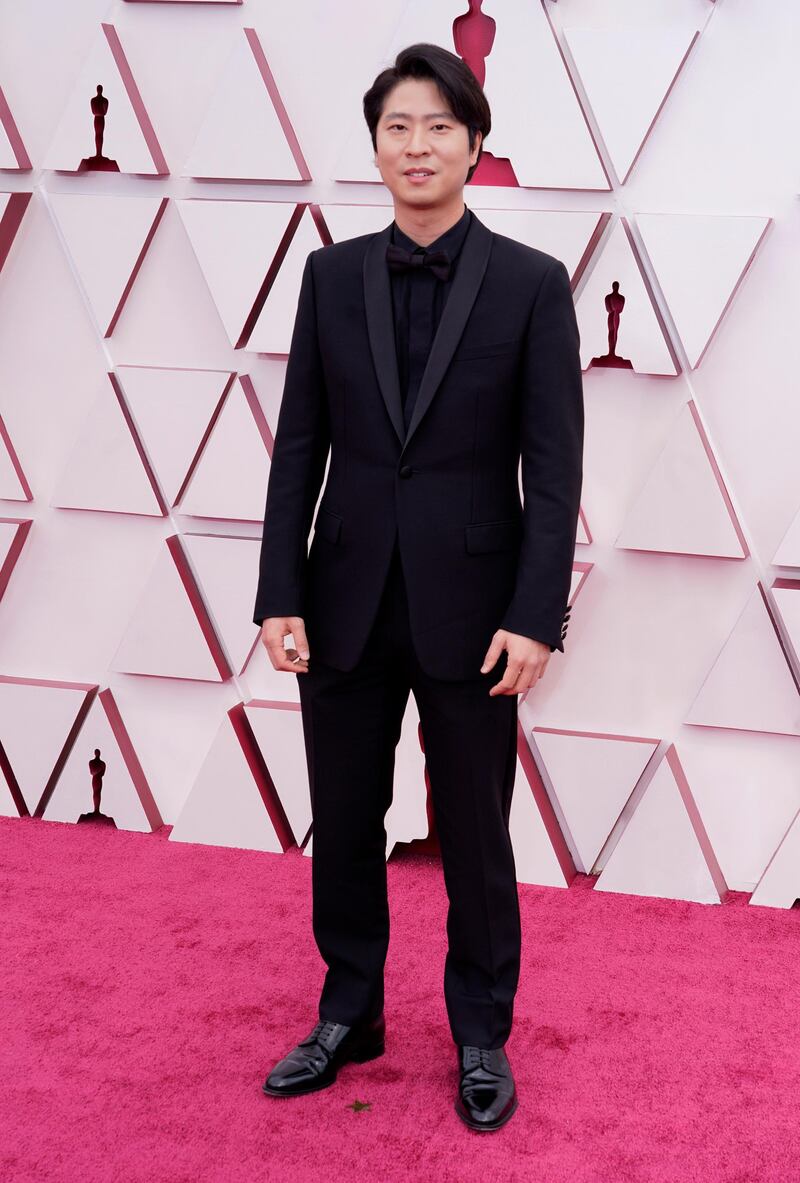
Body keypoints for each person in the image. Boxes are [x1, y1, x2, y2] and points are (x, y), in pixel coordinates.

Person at [252, 42, 584, 1133]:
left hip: (476, 613)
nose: (416, 145)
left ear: (473, 143)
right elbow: (299, 442)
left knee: (476, 839)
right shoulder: (329, 275)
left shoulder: (534, 286)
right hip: (342, 597)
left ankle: (480, 1031)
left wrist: (535, 613)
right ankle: (348, 1013)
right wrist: (276, 591)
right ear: (376, 145)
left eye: (438, 126)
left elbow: (555, 460)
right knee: (344, 821)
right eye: (397, 126)